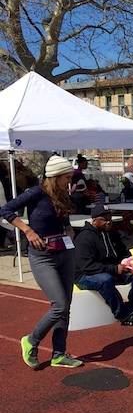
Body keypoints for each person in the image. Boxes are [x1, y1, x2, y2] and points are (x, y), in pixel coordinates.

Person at [1, 155, 83, 368]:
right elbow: (6, 210)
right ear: (55, 177)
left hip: (65, 254)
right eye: (66, 177)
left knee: (66, 307)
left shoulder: (62, 193)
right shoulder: (36, 193)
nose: (70, 181)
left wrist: (69, 229)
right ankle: (31, 340)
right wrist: (27, 230)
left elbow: (63, 218)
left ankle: (59, 354)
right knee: (59, 305)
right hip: (43, 257)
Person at [74, 204, 133, 326]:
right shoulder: (84, 238)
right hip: (85, 275)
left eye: (109, 219)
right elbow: (87, 266)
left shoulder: (113, 234)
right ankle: (123, 314)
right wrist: (114, 269)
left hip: (110, 270)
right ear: (94, 220)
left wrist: (127, 262)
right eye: (103, 219)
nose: (108, 222)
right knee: (104, 280)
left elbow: (124, 253)